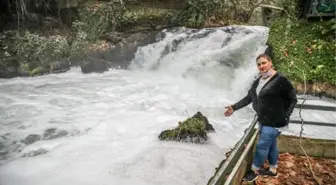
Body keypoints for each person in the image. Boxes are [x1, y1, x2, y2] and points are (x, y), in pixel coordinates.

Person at [224, 53, 298, 182]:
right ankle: (272, 170)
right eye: (259, 64)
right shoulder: (258, 81)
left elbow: (293, 99)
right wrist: (234, 107)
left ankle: (254, 170)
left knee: (262, 146)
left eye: (264, 63)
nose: (261, 66)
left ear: (270, 63)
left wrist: (286, 116)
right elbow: (249, 98)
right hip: (263, 119)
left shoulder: (281, 80)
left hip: (275, 122)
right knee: (272, 146)